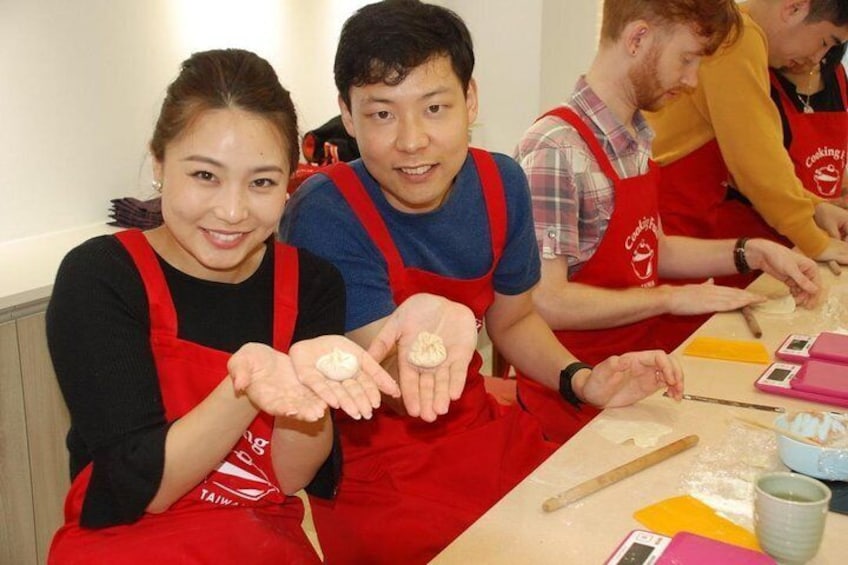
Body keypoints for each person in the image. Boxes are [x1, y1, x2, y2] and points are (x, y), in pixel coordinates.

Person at [279, 1, 686, 563]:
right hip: (375, 466)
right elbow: (395, 378)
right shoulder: (326, 212)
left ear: (471, 100)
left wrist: (581, 380)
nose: (413, 140)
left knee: (609, 523)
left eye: (435, 107)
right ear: (346, 117)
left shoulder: (502, 183)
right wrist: (426, 323)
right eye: (381, 115)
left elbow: (514, 319)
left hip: (479, 427)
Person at [45, 48, 401, 564]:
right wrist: (249, 384)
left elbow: (291, 476)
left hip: (261, 541)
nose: (232, 212)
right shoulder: (101, 276)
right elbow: (141, 487)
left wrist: (313, 385)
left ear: (288, 184)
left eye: (261, 182)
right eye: (205, 176)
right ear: (160, 162)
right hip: (126, 544)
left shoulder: (313, 283)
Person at [514, 1, 822, 443]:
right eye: (687, 59)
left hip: (638, 374)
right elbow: (547, 300)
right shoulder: (555, 150)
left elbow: (653, 247)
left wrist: (750, 250)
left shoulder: (636, 136)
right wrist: (667, 299)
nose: (692, 80)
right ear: (638, 39)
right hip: (576, 399)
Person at [646, 0, 848, 264]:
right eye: (825, 42)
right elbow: (757, 163)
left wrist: (815, 207)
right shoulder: (738, 37)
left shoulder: (728, 27)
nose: (818, 58)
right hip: (672, 221)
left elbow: (756, 158)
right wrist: (815, 241)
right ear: (794, 8)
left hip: (678, 226)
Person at [770, 42, 848, 204]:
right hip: (767, 218)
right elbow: (754, 177)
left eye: (828, 44)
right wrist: (819, 207)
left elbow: (834, 162)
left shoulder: (837, 75)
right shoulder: (759, 80)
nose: (816, 57)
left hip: (824, 219)